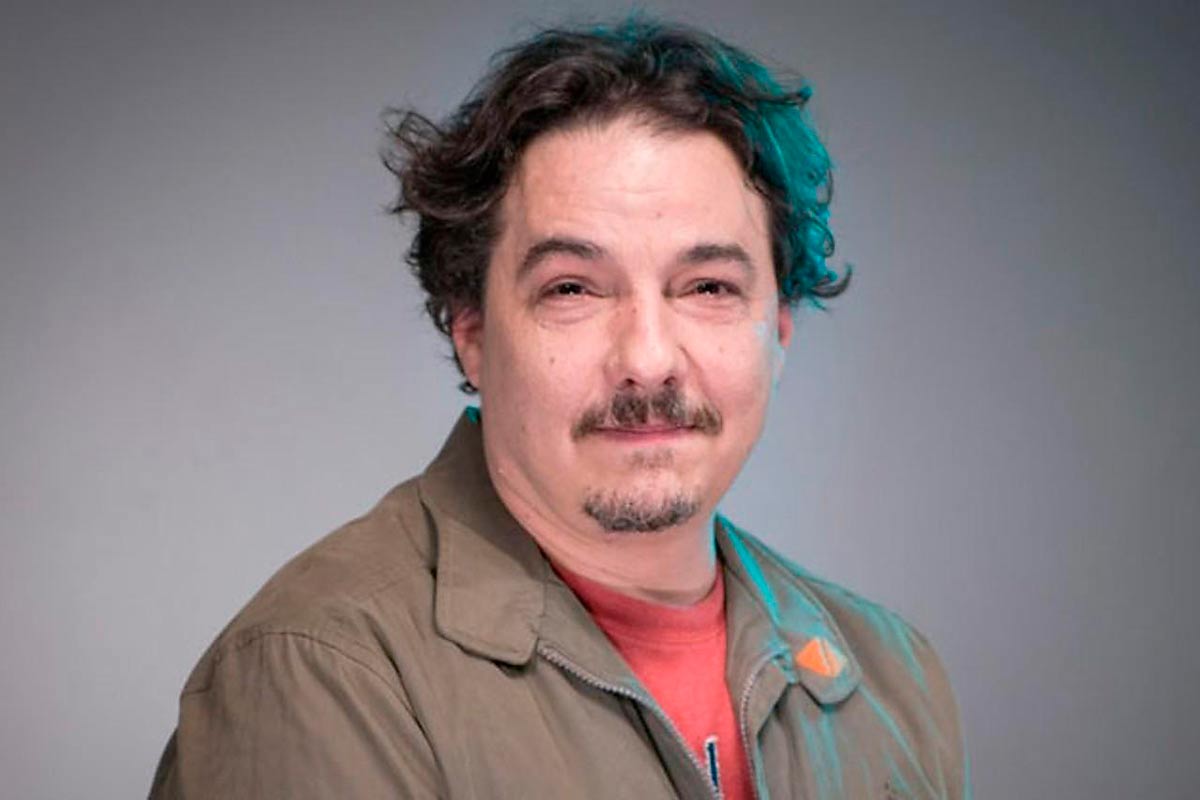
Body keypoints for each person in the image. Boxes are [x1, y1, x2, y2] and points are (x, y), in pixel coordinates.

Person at [150, 17, 968, 799]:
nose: (648, 358)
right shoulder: (321, 673)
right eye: (573, 288)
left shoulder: (892, 677)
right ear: (472, 332)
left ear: (778, 330)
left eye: (708, 287)